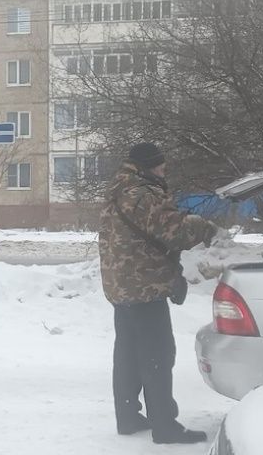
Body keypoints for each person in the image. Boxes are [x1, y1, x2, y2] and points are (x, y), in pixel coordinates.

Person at [99, 142, 223, 446]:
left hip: (122, 285)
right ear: (148, 166)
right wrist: (205, 228)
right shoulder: (142, 194)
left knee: (127, 353)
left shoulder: (119, 189)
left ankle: (128, 416)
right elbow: (174, 231)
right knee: (158, 354)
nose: (164, 169)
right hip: (144, 287)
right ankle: (164, 426)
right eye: (160, 165)